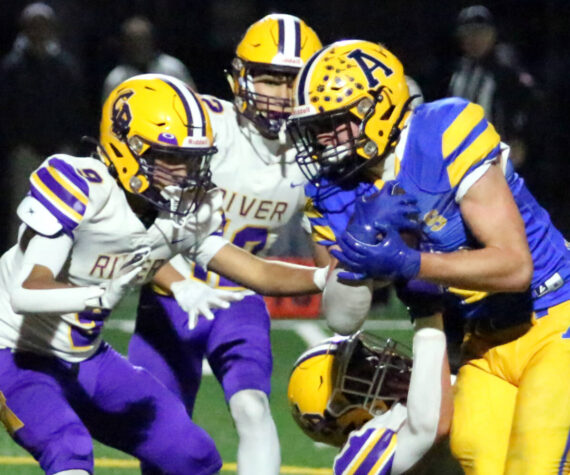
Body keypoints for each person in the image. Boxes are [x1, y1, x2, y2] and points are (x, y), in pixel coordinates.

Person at [0, 73, 328, 475]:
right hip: (15, 355)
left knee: (194, 455)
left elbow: (256, 272)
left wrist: (324, 279)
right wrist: (92, 296)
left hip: (87, 358)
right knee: (69, 452)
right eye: (172, 157)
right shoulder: (80, 186)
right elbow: (26, 292)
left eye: (193, 158)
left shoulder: (179, 209)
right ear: (129, 149)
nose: (186, 171)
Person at [286, 39, 570, 474]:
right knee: (476, 457)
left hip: (555, 315)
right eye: (314, 128)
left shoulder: (442, 131)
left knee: (537, 463)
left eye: (334, 123)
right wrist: (357, 253)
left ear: (376, 108)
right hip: (482, 341)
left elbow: (515, 267)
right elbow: (342, 319)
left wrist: (411, 264)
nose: (321, 140)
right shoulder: (333, 192)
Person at [127, 14, 322, 475]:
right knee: (161, 437)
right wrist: (177, 285)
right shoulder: (203, 126)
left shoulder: (316, 155)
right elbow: (135, 225)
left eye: (293, 80)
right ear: (241, 76)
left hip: (239, 297)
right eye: (269, 78)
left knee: (253, 408)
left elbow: (330, 265)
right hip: (169, 296)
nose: (280, 92)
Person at [287, 317, 453, 474]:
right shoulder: (359, 456)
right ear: (338, 417)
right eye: (359, 376)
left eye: (371, 358)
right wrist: (429, 319)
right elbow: (430, 425)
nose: (377, 365)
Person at [0, 2, 87, 247]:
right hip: (25, 153)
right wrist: (16, 144)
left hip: (59, 153)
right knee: (22, 209)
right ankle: (17, 265)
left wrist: (70, 144)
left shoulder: (64, 65)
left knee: (61, 209)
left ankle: (58, 265)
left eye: (43, 26)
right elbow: (6, 111)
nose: (38, 31)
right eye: (33, 26)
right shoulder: (12, 67)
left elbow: (75, 108)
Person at [447, 5, 537, 169]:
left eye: (481, 32)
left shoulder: (506, 69)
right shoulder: (456, 72)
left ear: (493, 35)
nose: (474, 38)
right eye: (468, 33)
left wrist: (522, 139)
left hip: (498, 158)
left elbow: (529, 105)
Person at [101, 15, 196, 102]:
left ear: (152, 40)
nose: (139, 46)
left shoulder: (173, 68)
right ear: (125, 44)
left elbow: (194, 102)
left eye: (143, 40)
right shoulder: (116, 79)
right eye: (133, 41)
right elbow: (109, 115)